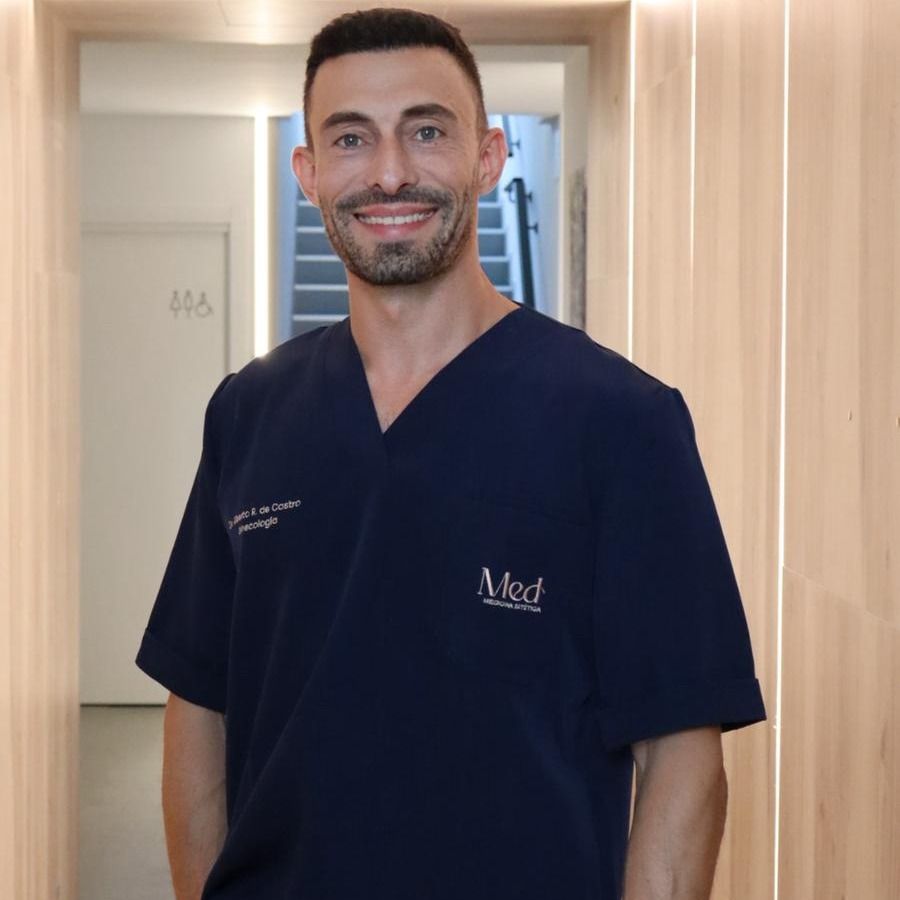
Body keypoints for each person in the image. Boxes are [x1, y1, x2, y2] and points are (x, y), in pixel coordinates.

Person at [135, 7, 767, 899]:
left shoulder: (622, 422)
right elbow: (200, 701)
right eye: (351, 139)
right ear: (308, 173)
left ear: (488, 156)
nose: (390, 171)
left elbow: (681, 750)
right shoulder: (251, 412)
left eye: (426, 131)